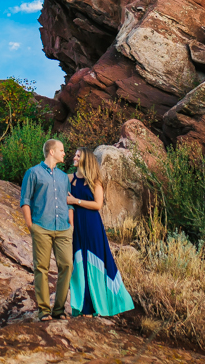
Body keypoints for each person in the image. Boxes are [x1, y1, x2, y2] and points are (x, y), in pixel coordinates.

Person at [66, 147, 135, 317]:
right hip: (77, 226)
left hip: (92, 225)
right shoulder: (70, 179)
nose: (74, 157)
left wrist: (76, 201)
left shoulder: (95, 181)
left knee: (95, 264)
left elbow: (97, 205)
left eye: (78, 155)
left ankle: (96, 306)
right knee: (79, 264)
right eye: (75, 154)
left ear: (86, 159)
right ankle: (82, 306)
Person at [19, 138, 73, 321]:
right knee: (41, 268)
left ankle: (59, 309)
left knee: (67, 265)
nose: (64, 153)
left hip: (64, 229)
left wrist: (71, 225)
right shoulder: (33, 173)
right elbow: (25, 200)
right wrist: (30, 225)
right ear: (52, 152)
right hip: (42, 227)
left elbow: (69, 203)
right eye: (61, 150)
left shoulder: (64, 176)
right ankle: (44, 311)